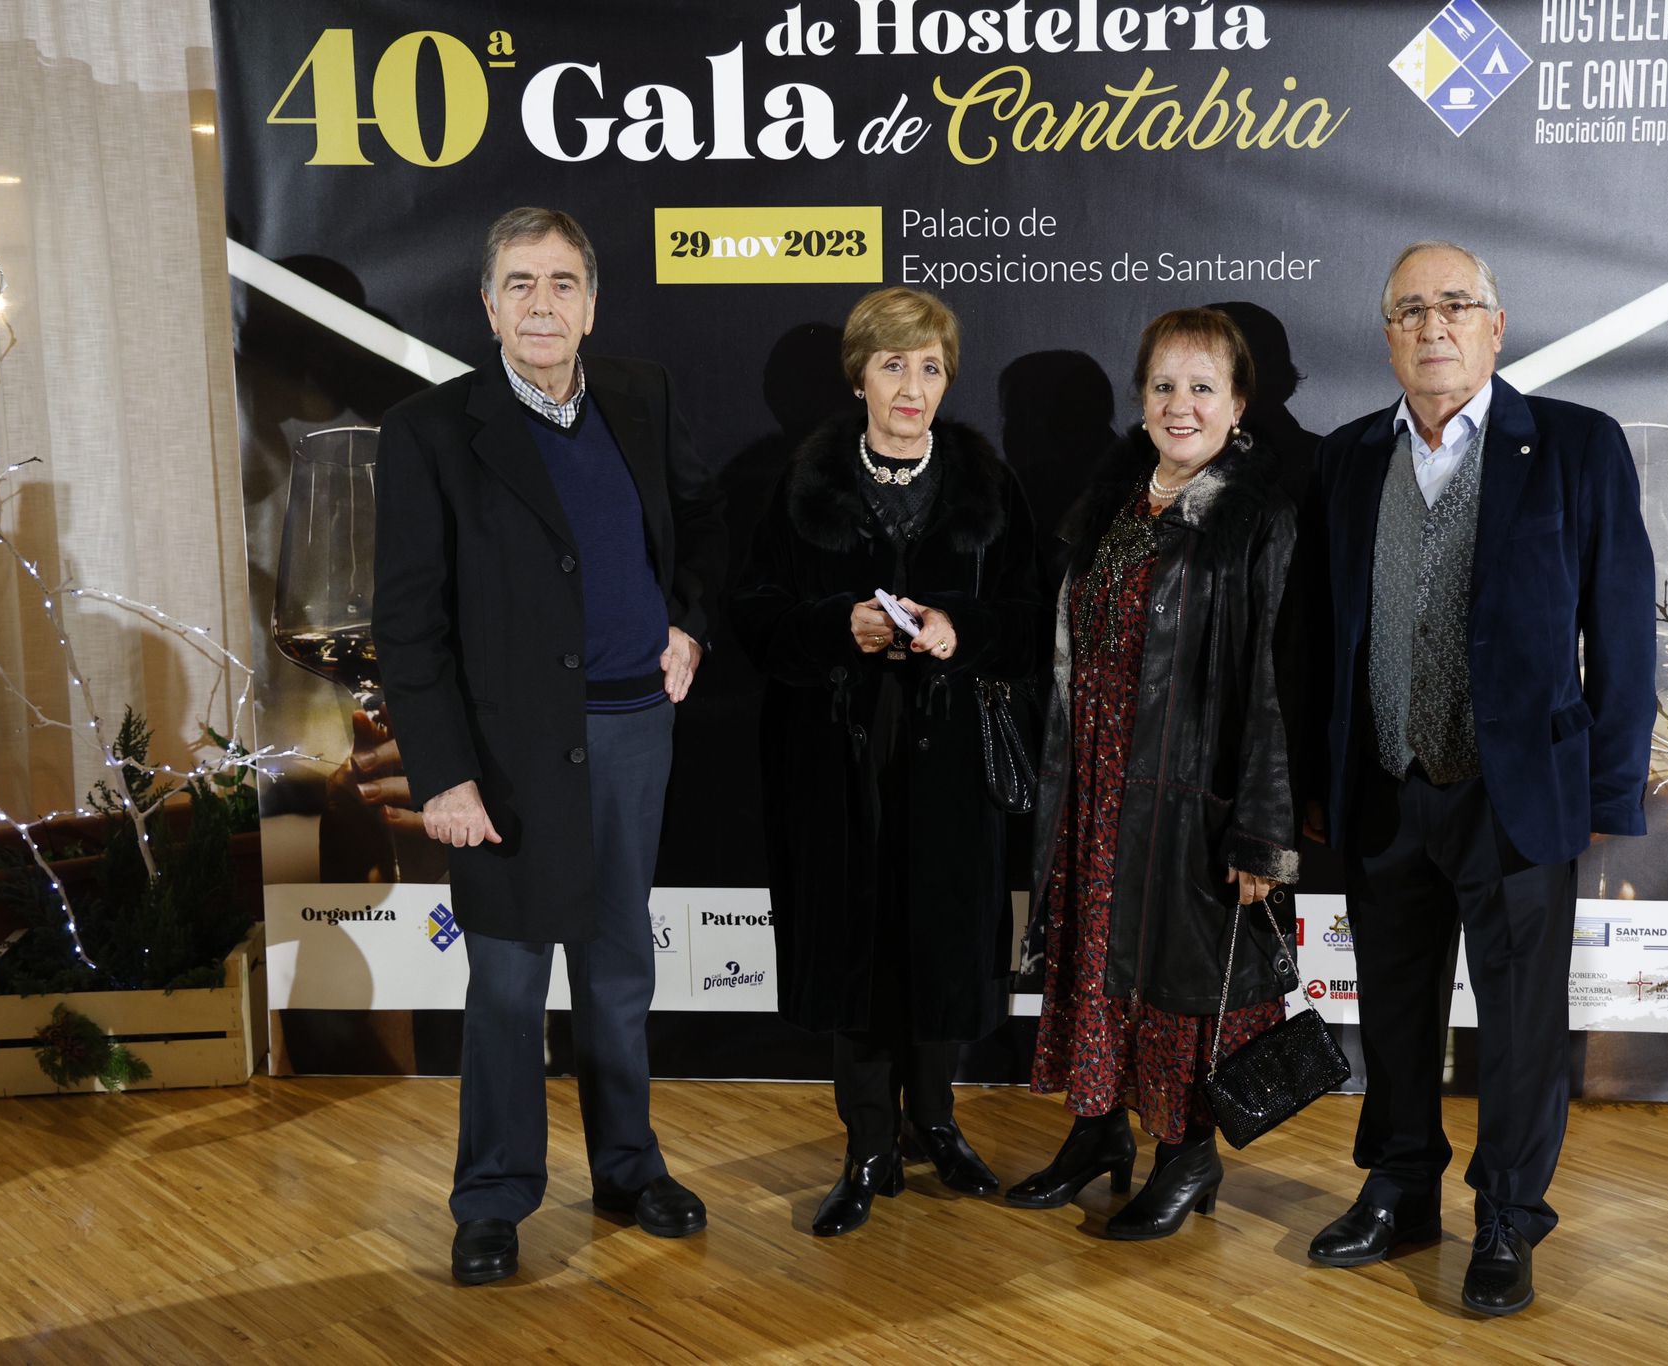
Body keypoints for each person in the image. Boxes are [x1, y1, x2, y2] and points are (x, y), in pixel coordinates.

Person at [1299, 241, 1654, 1315]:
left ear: (1495, 327)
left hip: (1517, 796)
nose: (1432, 324)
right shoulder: (1348, 457)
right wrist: (1317, 781)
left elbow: (1622, 636)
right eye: (1409, 309)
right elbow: (1319, 635)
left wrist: (1602, 794)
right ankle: (1401, 1184)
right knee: (1396, 1010)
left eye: (1455, 304)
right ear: (1388, 334)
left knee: (1518, 1027)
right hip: (1384, 782)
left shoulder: (1576, 448)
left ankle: (1505, 1213)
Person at [374, 206, 726, 1285]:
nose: (541, 303)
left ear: (590, 301)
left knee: (620, 973)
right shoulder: (431, 431)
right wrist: (442, 773)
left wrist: (688, 622)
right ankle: (491, 1198)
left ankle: (628, 1167)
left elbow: (700, 523)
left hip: (632, 734)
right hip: (507, 758)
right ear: (487, 305)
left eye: (562, 282)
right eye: (519, 283)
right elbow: (408, 622)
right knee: (508, 987)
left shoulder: (639, 396)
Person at [728, 286, 1043, 1238]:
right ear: (860, 375)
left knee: (942, 945)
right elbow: (755, 618)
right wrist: (841, 626)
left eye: (932, 368)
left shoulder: (990, 487)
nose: (913, 387)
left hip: (954, 768)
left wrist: (963, 630)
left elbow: (1033, 621)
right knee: (856, 949)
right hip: (835, 762)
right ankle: (868, 1143)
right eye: (895, 365)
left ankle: (936, 1123)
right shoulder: (800, 484)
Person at [1011, 307, 1300, 1241]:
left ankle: (1188, 1154)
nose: (1181, 406)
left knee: (1180, 985)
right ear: (1141, 403)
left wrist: (1262, 827)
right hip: (1095, 789)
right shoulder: (1111, 507)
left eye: (1203, 387)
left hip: (1188, 800)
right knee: (1099, 969)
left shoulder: (1258, 518)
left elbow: (1275, 683)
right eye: (1164, 386)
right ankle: (1098, 1130)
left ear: (1239, 404)